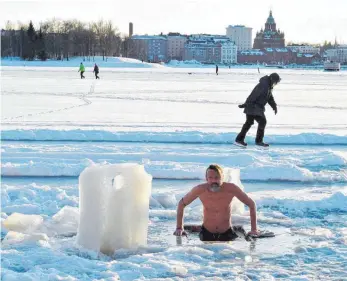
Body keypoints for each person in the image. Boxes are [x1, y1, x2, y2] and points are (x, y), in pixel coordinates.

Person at [173, 164, 259, 241]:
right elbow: (182, 204)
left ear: (222, 177)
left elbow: (251, 204)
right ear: (206, 178)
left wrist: (254, 229)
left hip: (227, 232)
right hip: (206, 232)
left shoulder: (231, 189)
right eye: (210, 178)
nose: (214, 181)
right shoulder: (200, 189)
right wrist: (179, 227)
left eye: (217, 177)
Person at [235, 73, 281, 148]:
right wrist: (246, 104)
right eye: (276, 81)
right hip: (253, 107)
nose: (276, 83)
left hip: (256, 108)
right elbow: (253, 95)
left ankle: (239, 139)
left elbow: (270, 98)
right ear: (272, 79)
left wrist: (274, 106)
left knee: (249, 123)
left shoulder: (268, 86)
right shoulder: (263, 85)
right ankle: (258, 141)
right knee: (262, 121)